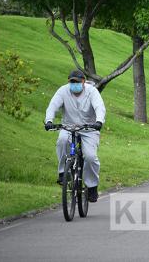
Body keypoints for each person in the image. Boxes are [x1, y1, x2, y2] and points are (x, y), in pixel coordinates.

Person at [44, 70, 106, 202]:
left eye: (77, 82)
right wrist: (49, 120)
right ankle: (63, 172)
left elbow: (99, 107)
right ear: (68, 82)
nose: (74, 85)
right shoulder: (63, 91)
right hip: (69, 126)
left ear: (83, 82)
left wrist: (99, 121)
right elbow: (52, 106)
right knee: (61, 141)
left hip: (89, 128)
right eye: (72, 82)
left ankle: (92, 186)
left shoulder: (92, 92)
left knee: (90, 156)